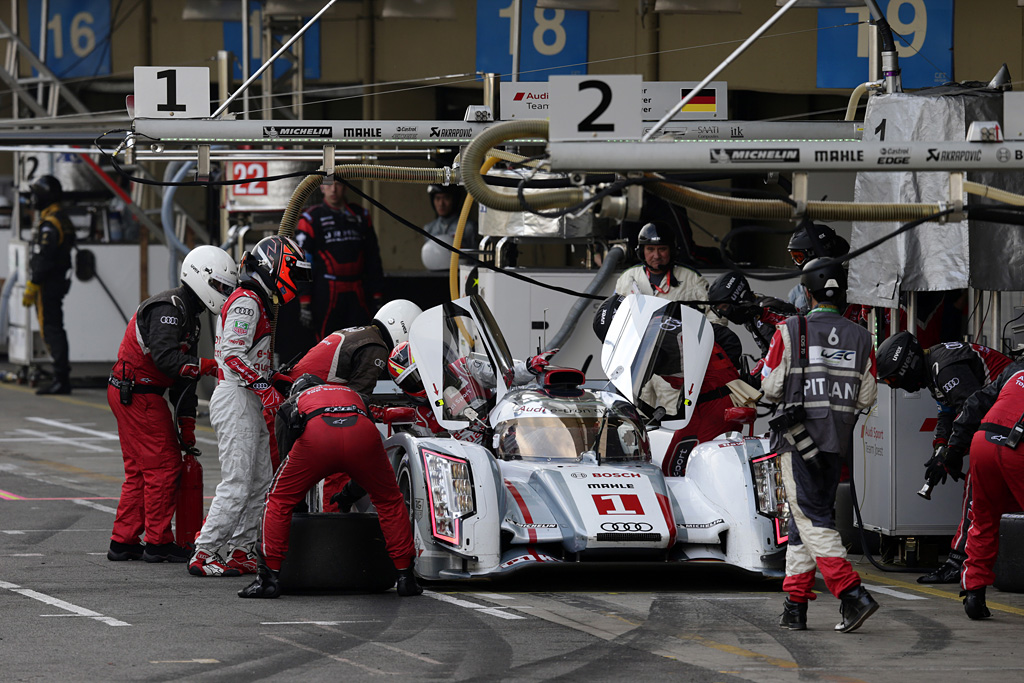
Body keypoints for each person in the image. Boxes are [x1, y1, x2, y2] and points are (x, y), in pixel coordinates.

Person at [761, 258, 879, 633]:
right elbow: (866, 397)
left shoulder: (789, 329)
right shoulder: (862, 337)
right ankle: (795, 607)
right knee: (804, 524)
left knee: (812, 522)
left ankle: (852, 594)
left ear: (807, 293)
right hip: (833, 446)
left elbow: (770, 386)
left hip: (798, 445)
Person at [189, 236, 311, 577]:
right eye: (294, 273)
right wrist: (265, 388)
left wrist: (274, 380)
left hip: (247, 397)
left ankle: (242, 550)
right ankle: (205, 551)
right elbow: (231, 355)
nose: (296, 284)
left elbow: (247, 360)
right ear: (276, 266)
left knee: (261, 481)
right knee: (239, 481)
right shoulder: (247, 301)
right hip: (236, 397)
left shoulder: (253, 298)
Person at [107, 245, 237, 563]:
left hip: (136, 391)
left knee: (139, 470)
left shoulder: (188, 315)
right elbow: (168, 360)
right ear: (200, 277)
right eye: (220, 286)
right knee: (164, 467)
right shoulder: (168, 308)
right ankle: (158, 541)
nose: (223, 293)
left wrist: (186, 424)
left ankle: (123, 540)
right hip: (138, 393)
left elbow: (182, 380)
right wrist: (208, 366)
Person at [239, 374, 421, 599]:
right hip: (361, 433)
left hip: (318, 437)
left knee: (278, 499)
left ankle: (268, 579)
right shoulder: (353, 395)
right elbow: (365, 462)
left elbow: (286, 456)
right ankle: (406, 577)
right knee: (389, 500)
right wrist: (348, 495)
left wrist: (298, 506)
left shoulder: (291, 403)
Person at [875, 331, 1012, 584]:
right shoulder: (935, 367)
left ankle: (958, 563)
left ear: (909, 366)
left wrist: (952, 453)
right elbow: (947, 413)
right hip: (1006, 421)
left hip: (1009, 420)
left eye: (895, 380)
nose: (896, 386)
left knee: (976, 490)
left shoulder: (945, 367)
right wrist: (940, 450)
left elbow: (971, 410)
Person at [282, 298, 423, 509]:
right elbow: (356, 403)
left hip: (290, 406)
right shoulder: (376, 347)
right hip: (302, 409)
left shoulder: (358, 333)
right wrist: (384, 412)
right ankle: (337, 526)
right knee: (346, 457)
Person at [937, 362, 1024, 619]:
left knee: (983, 519)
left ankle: (974, 593)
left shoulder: (1015, 369)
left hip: (984, 440)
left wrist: (953, 449)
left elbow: (974, 403)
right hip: (1018, 447)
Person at [295, 181, 384, 341]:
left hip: (358, 290)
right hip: (327, 291)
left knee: (362, 341)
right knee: (326, 343)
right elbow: (303, 262)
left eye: (338, 184)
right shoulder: (310, 218)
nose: (333, 189)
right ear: (321, 187)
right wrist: (304, 302)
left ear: (346, 186)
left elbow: (373, 258)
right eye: (328, 184)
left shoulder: (361, 215)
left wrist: (377, 294)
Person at [22, 175, 75, 395]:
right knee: (55, 328)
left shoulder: (51, 223)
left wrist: (33, 285)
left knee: (51, 329)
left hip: (48, 284)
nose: (33, 198)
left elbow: (45, 257)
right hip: (57, 281)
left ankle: (61, 379)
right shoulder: (60, 218)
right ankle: (60, 376)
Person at [708, 270, 796, 358]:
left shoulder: (764, 310)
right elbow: (768, 352)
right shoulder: (752, 314)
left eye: (724, 307)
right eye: (720, 310)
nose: (724, 313)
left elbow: (799, 329)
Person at [786, 223, 849, 314]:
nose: (795, 263)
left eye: (799, 257)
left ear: (815, 254)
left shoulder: (851, 282)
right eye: (794, 257)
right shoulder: (797, 291)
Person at [421, 185, 477, 270]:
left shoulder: (468, 227)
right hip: (435, 275)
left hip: (460, 274)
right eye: (437, 198)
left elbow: (476, 258)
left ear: (454, 200)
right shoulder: (429, 229)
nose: (441, 203)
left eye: (446, 198)